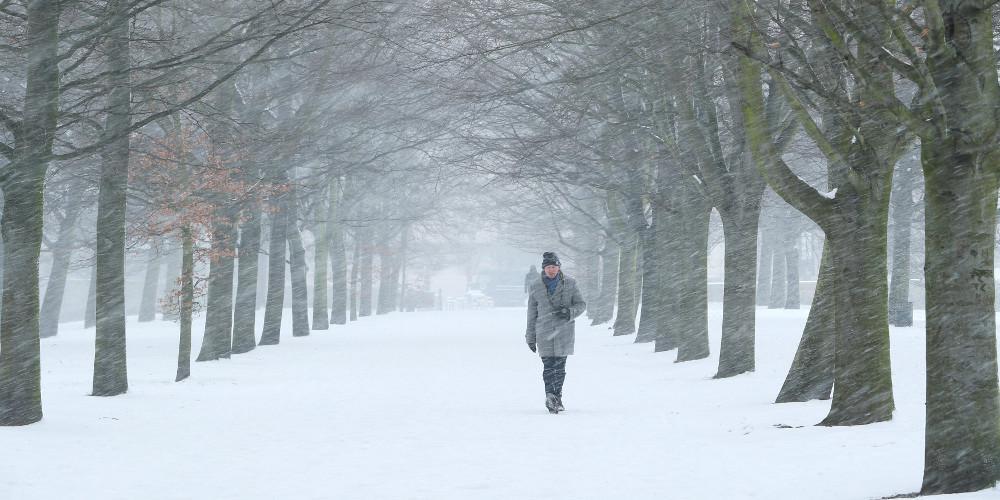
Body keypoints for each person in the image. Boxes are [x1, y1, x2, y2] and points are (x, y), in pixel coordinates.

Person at [525, 252, 586, 414]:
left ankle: (557, 397)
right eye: (548, 267)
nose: (551, 270)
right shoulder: (535, 286)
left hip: (564, 332)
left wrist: (569, 312)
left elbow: (581, 305)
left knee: (560, 367)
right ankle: (550, 396)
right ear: (544, 269)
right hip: (543, 332)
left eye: (554, 267)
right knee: (548, 366)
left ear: (559, 268)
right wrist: (530, 337)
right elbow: (531, 313)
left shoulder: (571, 284)